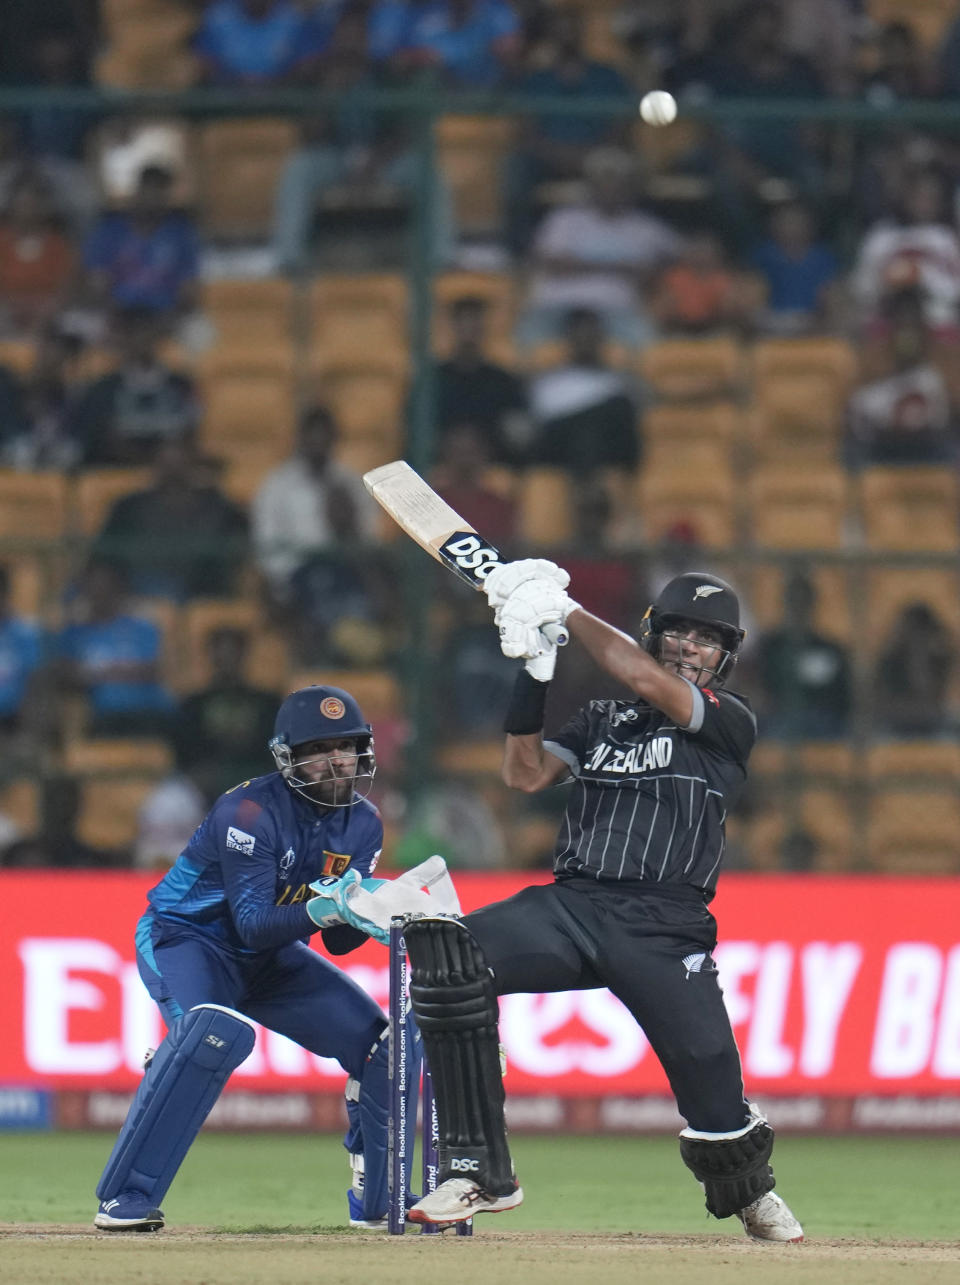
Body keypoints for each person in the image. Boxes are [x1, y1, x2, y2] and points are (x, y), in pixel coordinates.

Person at [400, 559, 804, 1241]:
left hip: (664, 924)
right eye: (676, 632)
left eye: (706, 639)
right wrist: (535, 665)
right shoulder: (602, 719)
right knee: (450, 955)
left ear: (726, 656)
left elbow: (644, 677)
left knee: (716, 1102)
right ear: (654, 632)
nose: (687, 647)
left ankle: (750, 1193)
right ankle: (477, 1170)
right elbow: (524, 772)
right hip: (574, 905)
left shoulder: (729, 723)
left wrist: (565, 608)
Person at [93, 683, 440, 1232]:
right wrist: (334, 907)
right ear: (289, 757)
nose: (338, 760)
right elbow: (252, 925)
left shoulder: (365, 822)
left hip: (275, 957)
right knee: (211, 1035)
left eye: (347, 747)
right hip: (189, 939)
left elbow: (337, 940)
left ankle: (378, 1199)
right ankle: (124, 1197)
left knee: (384, 1049)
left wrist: (379, 910)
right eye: (320, 749)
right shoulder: (249, 812)